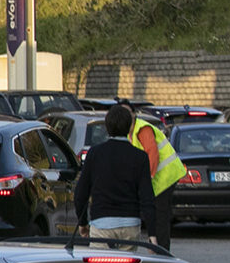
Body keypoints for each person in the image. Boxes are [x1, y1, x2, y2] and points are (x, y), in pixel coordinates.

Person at [74, 105, 157, 244]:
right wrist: (152, 234)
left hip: (101, 224)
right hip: (130, 225)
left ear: (107, 127)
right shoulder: (140, 157)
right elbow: (147, 198)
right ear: (130, 126)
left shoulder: (95, 154)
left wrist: (82, 224)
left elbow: (80, 194)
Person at [128, 104, 187, 251]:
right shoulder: (131, 133)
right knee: (155, 215)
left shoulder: (142, 129)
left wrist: (146, 180)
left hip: (164, 178)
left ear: (134, 114)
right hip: (158, 179)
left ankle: (161, 251)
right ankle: (155, 247)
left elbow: (152, 155)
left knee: (160, 217)